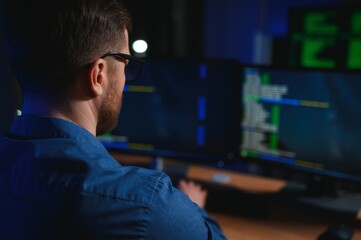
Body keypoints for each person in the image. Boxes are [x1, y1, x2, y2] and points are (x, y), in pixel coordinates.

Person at [0, 0, 226, 239]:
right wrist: (195, 207)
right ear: (98, 75)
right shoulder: (146, 204)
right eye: (125, 64)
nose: (125, 78)